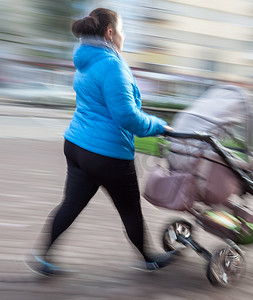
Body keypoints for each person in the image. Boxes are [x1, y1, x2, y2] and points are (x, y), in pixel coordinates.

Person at [26, 8, 176, 276]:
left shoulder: (85, 61)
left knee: (71, 204)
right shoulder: (112, 65)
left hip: (76, 145)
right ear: (110, 32)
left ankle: (42, 255)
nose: (124, 35)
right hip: (107, 154)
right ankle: (149, 258)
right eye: (122, 30)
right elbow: (127, 118)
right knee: (130, 209)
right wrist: (159, 127)